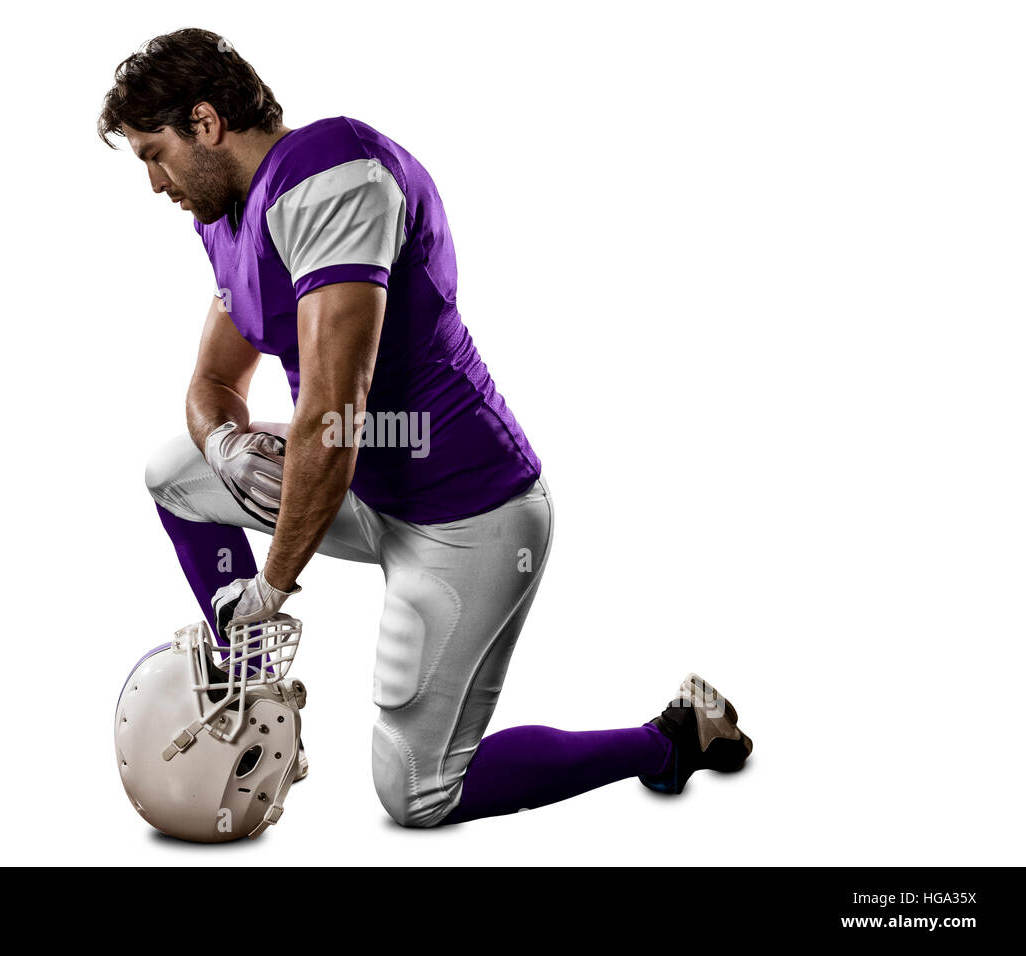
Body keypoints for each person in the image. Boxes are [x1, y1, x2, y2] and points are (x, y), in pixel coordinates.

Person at [97, 27, 752, 827]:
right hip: (368, 482)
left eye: (153, 154)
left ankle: (673, 737)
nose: (156, 184)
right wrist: (226, 444)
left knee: (419, 793)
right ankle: (247, 686)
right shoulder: (227, 216)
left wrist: (271, 583)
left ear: (205, 123)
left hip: (466, 514)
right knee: (177, 471)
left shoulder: (331, 174)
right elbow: (211, 383)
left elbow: (335, 416)